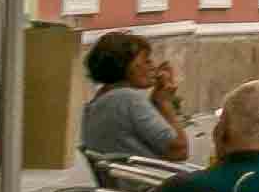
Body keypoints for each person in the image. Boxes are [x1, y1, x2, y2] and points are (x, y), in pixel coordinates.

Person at [78, 32, 185, 163]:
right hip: (148, 182)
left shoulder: (96, 103)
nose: (152, 65)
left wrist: (157, 101)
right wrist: (165, 103)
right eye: (145, 60)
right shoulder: (128, 98)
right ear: (123, 65)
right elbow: (179, 151)